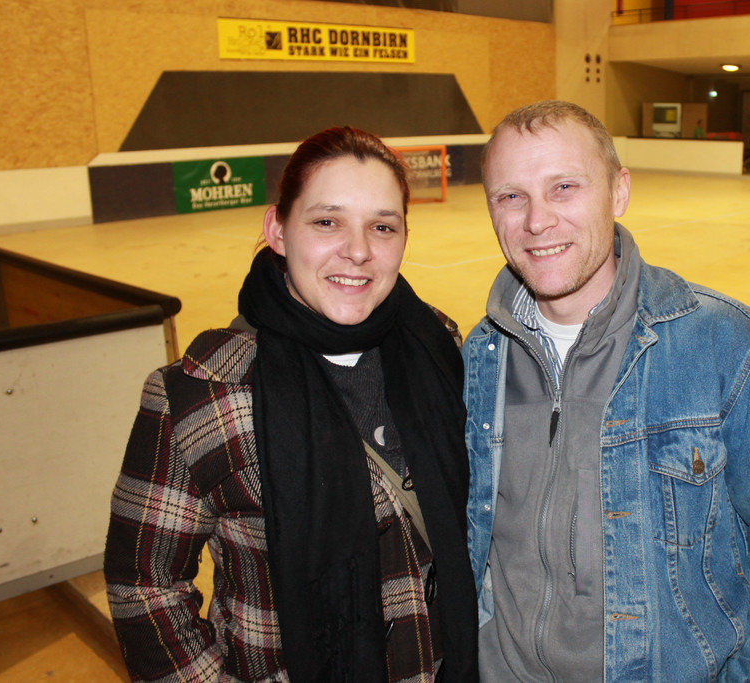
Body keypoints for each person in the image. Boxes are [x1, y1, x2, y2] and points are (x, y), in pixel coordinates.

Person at [464, 100, 750, 682]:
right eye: (511, 196)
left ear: (618, 192)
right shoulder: (480, 357)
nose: (537, 221)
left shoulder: (726, 344)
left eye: (564, 187)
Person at [104, 126, 477, 682]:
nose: (358, 250)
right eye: (327, 222)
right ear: (277, 230)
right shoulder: (202, 393)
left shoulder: (439, 346)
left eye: (382, 226)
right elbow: (143, 585)